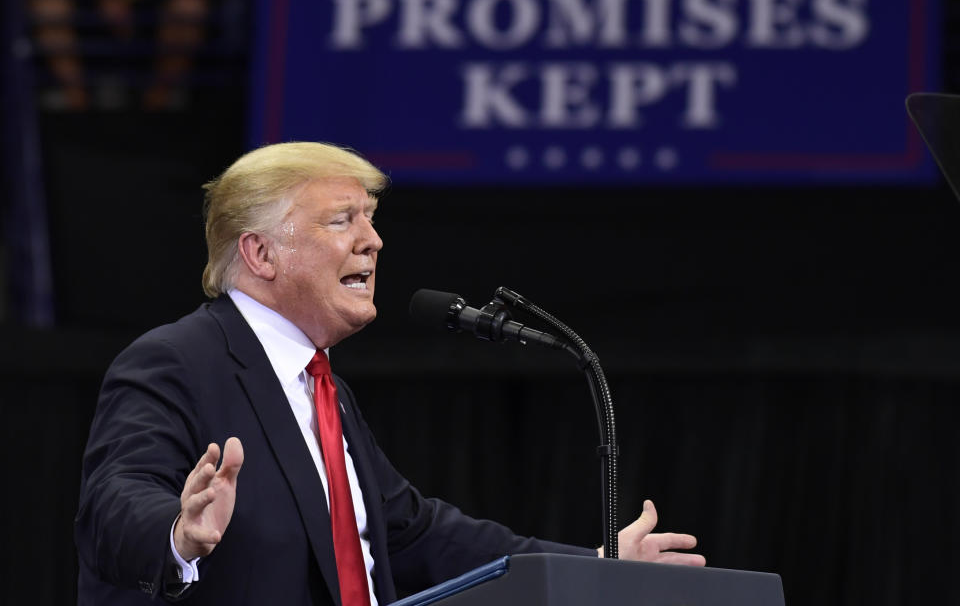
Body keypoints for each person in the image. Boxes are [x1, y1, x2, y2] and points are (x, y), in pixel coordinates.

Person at [75, 142, 705, 605]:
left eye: (371, 218)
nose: (373, 241)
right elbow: (113, 501)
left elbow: (413, 534)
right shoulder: (174, 361)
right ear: (260, 252)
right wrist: (178, 534)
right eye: (342, 219)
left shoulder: (324, 390)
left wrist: (593, 565)